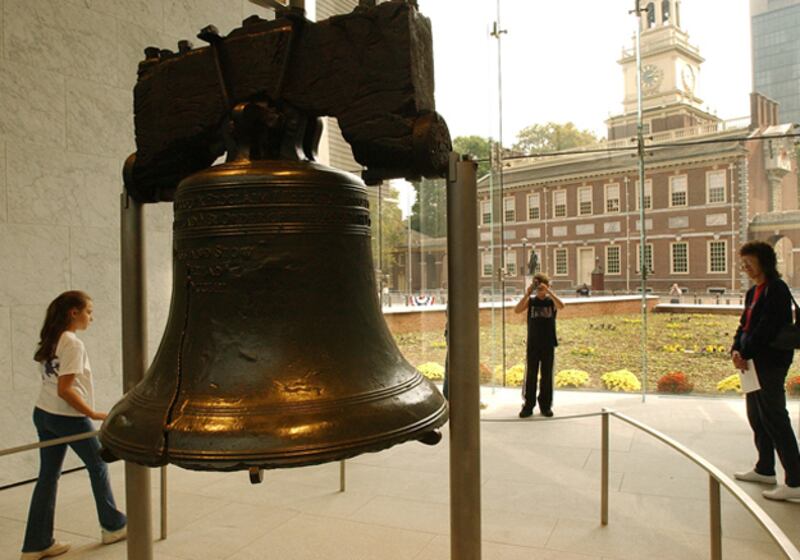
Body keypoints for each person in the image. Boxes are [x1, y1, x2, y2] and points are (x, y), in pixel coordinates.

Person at [21, 291, 127, 560]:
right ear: (73, 313)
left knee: (48, 476)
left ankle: (36, 543)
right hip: (67, 417)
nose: (92, 316)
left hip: (43, 413)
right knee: (99, 464)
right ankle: (113, 525)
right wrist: (93, 413)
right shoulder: (73, 344)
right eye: (88, 311)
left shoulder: (52, 338)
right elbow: (65, 390)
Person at [730, 242, 800, 501]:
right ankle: (765, 468)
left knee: (775, 419)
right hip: (751, 364)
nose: (745, 267)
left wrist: (744, 353)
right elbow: (744, 325)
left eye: (749, 262)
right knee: (757, 416)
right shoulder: (753, 292)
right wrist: (735, 350)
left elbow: (766, 329)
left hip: (769, 363)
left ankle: (795, 480)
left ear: (764, 262)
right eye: (743, 262)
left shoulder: (777, 290)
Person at [514, 272, 564, 418]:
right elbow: (517, 310)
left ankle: (545, 406)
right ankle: (528, 406)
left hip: (548, 343)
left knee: (547, 376)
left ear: (547, 286)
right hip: (533, 344)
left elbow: (562, 306)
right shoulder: (531, 301)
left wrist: (549, 291)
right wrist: (527, 294)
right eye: (538, 288)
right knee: (531, 375)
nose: (540, 291)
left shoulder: (551, 302)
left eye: (542, 287)